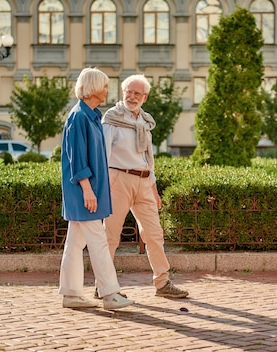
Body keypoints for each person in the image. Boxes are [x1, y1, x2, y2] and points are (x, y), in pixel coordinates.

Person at [102, 74, 189, 298]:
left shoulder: (145, 122)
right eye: (128, 92)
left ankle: (163, 283)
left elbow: (148, 159)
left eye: (136, 93)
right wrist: (102, 186)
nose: (131, 97)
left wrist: (153, 189)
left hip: (143, 182)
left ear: (145, 97)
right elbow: (103, 154)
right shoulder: (112, 118)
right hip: (118, 180)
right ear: (122, 93)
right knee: (111, 236)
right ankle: (103, 287)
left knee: (154, 234)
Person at [58, 67, 134, 310]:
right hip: (84, 192)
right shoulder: (79, 117)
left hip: (88, 191)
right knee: (98, 241)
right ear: (92, 88)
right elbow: (77, 159)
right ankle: (110, 294)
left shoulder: (89, 115)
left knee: (75, 243)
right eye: (104, 86)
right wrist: (88, 191)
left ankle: (71, 294)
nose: (106, 90)